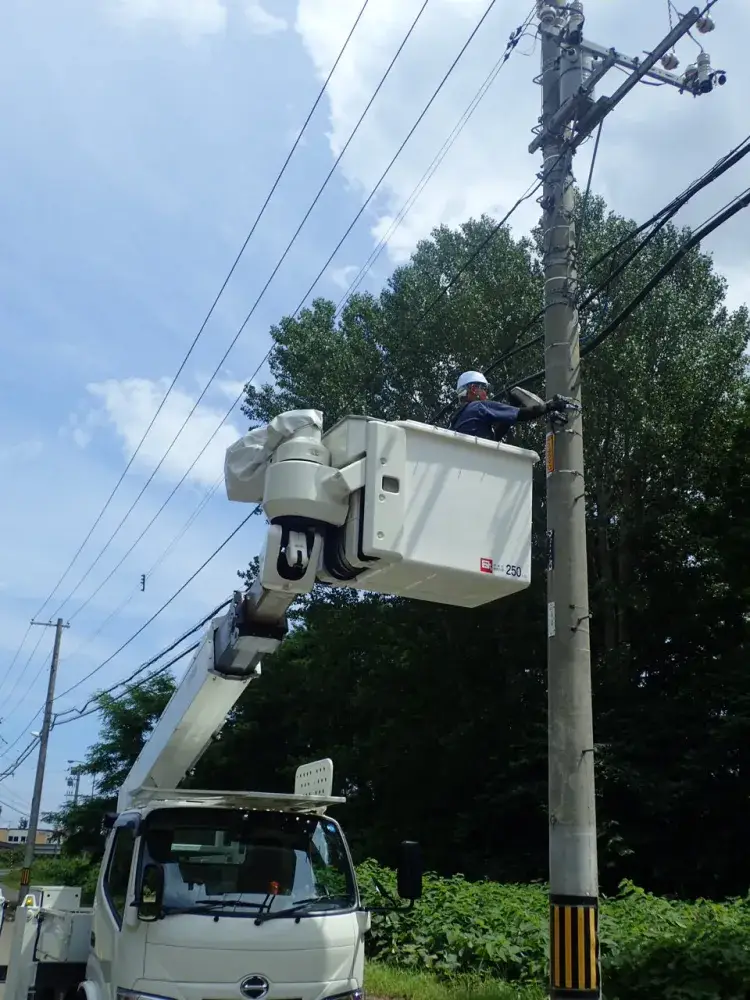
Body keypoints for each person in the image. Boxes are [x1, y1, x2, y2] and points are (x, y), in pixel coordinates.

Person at [449, 371, 570, 442]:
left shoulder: (455, 422)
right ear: (474, 389)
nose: (487, 394)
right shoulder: (479, 407)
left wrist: (511, 408)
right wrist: (550, 406)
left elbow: (494, 439)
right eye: (485, 389)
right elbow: (522, 415)